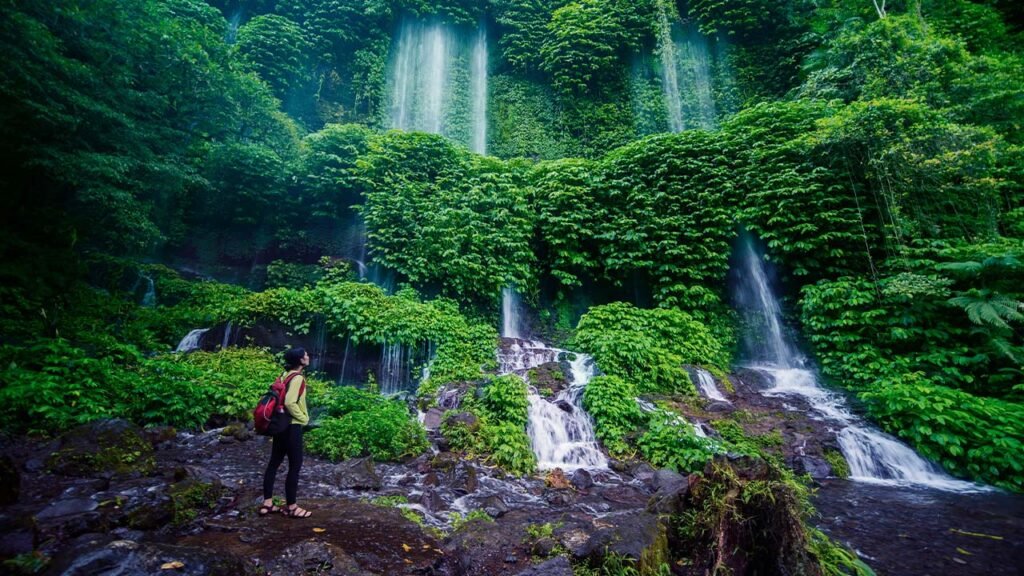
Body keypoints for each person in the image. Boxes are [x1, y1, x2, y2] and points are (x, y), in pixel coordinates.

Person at [260, 347, 312, 518]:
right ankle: (292, 507)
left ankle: (267, 503)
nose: (308, 357)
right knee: (294, 466)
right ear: (300, 360)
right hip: (292, 426)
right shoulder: (298, 377)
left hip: (279, 425)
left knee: (273, 463)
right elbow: (290, 402)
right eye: (305, 355)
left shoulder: (285, 374)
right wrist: (303, 418)